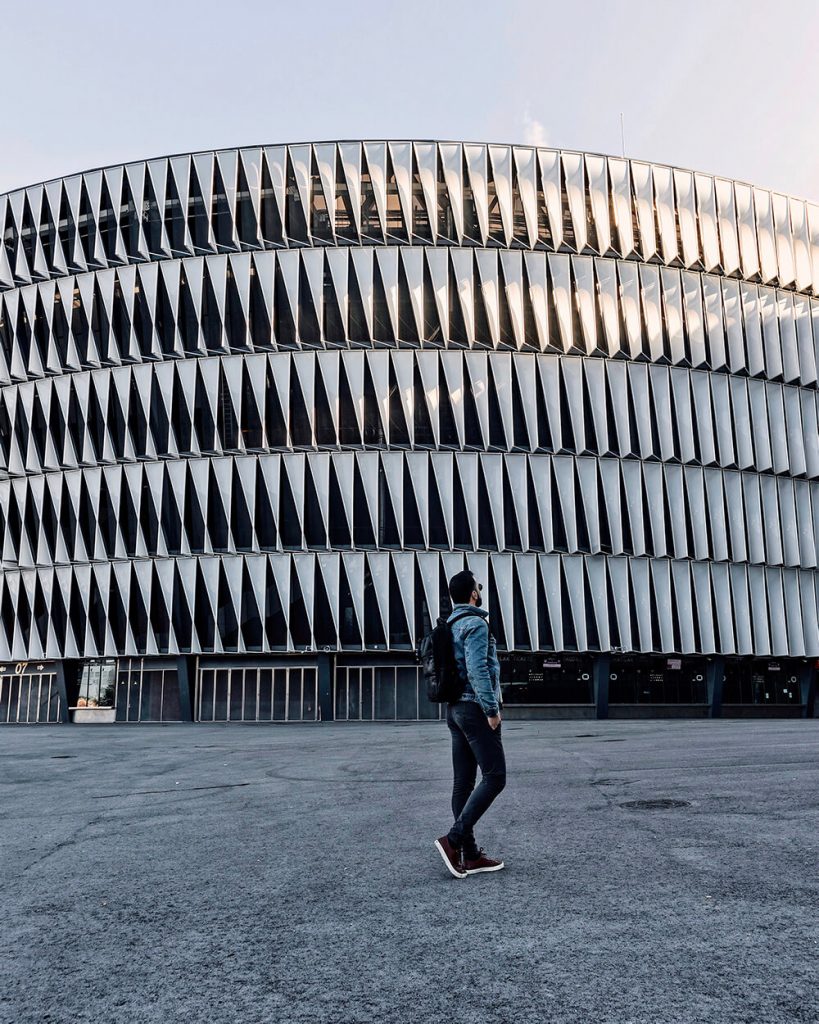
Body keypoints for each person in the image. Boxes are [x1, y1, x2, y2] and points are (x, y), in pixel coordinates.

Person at [434, 569, 506, 878]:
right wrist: (491, 709)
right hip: (474, 708)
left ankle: (471, 854)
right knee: (495, 776)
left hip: (454, 711)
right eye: (478, 586)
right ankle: (453, 841)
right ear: (473, 595)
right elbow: (477, 669)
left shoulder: (449, 625)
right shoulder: (476, 624)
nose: (480, 589)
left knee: (463, 782)